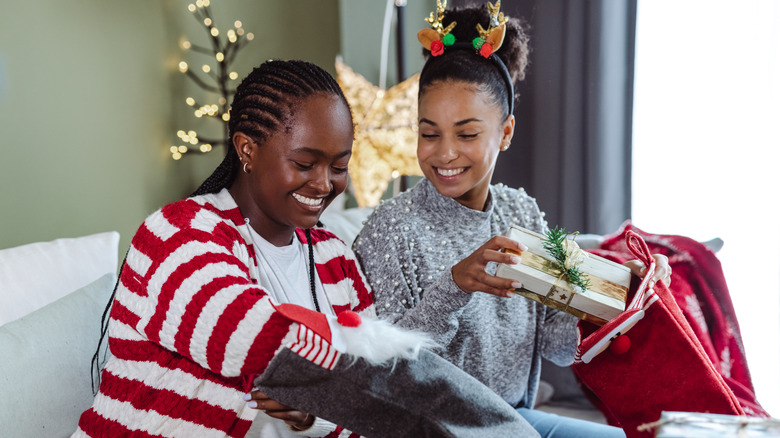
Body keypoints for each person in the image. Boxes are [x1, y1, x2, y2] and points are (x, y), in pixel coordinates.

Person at [74, 59, 539, 438]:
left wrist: (311, 410)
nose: (323, 184)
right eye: (304, 162)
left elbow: (361, 392)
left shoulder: (334, 259)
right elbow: (259, 341)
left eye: (338, 166)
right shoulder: (177, 233)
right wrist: (323, 383)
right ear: (247, 149)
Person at [352, 3, 672, 438]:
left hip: (516, 419)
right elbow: (386, 371)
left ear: (504, 132)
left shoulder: (520, 213)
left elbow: (556, 349)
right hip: (433, 428)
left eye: (466, 134)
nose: (444, 152)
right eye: (429, 133)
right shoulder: (391, 229)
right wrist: (454, 286)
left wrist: (606, 300)